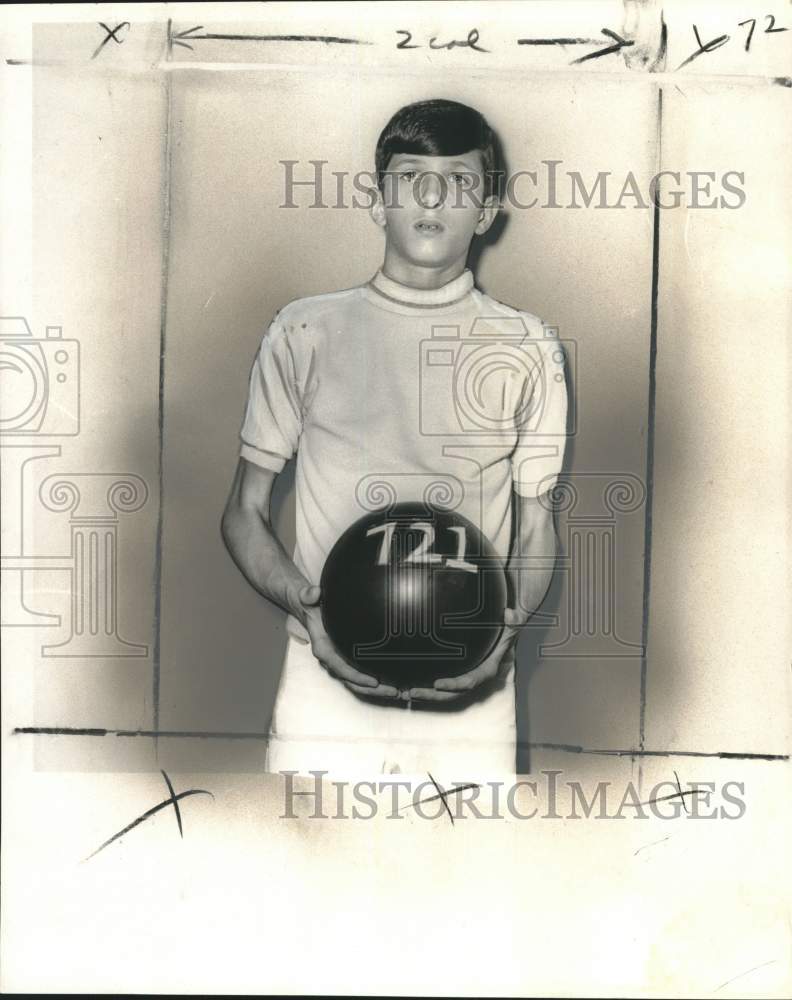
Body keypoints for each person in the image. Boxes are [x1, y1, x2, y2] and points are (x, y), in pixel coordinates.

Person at [221, 98, 568, 782]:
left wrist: (505, 635)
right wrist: (310, 612)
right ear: (377, 199)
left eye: (459, 180)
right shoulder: (305, 331)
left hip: (472, 694)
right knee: (306, 881)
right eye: (411, 176)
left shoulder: (529, 346)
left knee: (466, 885)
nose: (433, 195)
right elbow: (243, 512)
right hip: (324, 691)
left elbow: (534, 530)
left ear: (488, 209)